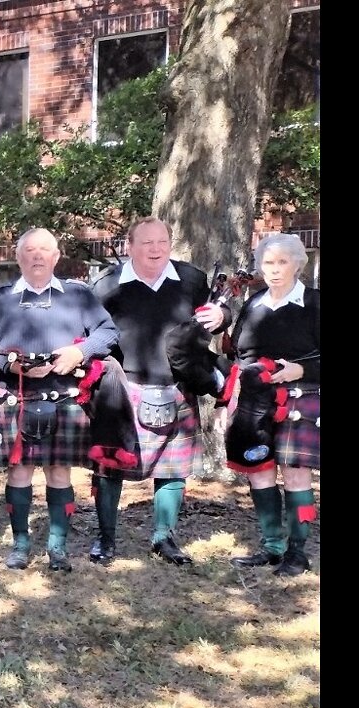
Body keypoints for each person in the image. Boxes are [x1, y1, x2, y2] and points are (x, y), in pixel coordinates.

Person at [0, 228, 119, 572]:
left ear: (56, 257)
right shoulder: (2, 298)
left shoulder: (78, 296)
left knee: (59, 472)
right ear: (19, 256)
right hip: (16, 395)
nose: (37, 256)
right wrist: (10, 362)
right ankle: (20, 546)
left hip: (63, 395)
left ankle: (58, 548)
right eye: (30, 250)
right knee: (18, 471)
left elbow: (108, 332)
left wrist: (79, 352)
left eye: (44, 250)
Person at [88, 217, 229, 566]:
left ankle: (163, 538)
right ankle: (105, 540)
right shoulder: (106, 286)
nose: (155, 249)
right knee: (109, 467)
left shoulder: (191, 279)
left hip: (178, 384)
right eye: (147, 243)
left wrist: (222, 316)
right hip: (122, 386)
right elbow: (88, 331)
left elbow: (216, 313)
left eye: (162, 242)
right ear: (130, 247)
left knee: (173, 470)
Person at [226, 233, 319, 577]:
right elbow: (239, 354)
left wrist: (301, 369)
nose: (275, 270)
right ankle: (271, 546)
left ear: (298, 264)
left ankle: (298, 552)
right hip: (256, 402)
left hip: (301, 400)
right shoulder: (253, 305)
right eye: (268, 263)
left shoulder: (315, 303)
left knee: (295, 475)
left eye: (282, 262)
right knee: (260, 471)